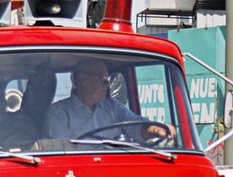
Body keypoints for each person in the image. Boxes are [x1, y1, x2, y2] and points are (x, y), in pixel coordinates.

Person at [44, 58, 173, 142]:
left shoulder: (113, 107)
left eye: (108, 81)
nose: (107, 86)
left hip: (115, 173)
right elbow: (63, 153)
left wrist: (154, 129)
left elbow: (135, 125)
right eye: (104, 80)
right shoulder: (58, 113)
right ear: (82, 79)